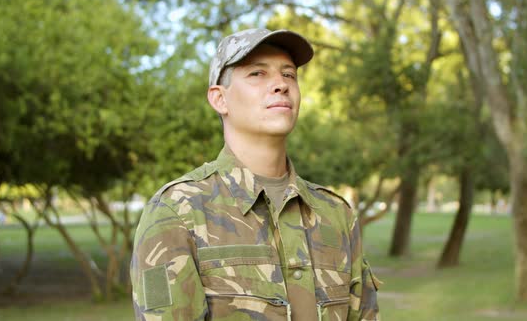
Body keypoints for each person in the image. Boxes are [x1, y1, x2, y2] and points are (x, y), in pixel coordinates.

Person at [130, 28, 380, 321]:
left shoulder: (336, 214)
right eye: (257, 74)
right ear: (219, 99)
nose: (280, 85)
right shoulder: (177, 211)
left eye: (289, 75)